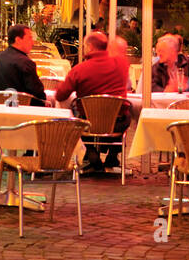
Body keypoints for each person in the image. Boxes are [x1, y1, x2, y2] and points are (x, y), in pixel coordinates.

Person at [55, 31, 132, 171]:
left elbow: (60, 96)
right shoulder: (121, 64)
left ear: (90, 47)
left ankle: (91, 152)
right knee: (126, 113)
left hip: (89, 124)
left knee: (76, 117)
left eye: (84, 46)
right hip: (117, 123)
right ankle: (113, 154)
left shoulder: (79, 70)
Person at [0, 24, 46, 105]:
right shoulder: (26, 63)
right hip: (24, 109)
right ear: (18, 40)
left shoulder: (0, 58)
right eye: (29, 38)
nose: (32, 43)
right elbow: (39, 94)